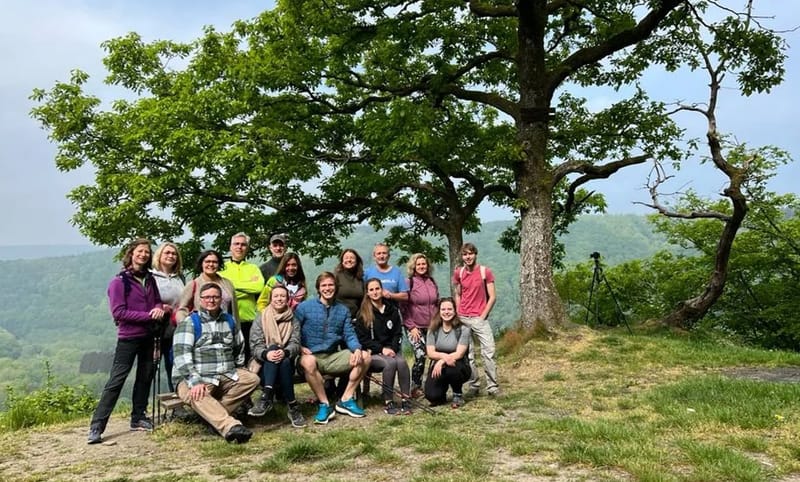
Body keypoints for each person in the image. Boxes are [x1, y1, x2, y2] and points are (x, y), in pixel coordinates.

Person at [87, 238, 170, 444]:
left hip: (150, 336)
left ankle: (138, 418)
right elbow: (119, 312)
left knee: (145, 376)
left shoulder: (150, 279)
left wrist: (159, 308)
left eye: (147, 252)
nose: (144, 255)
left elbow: (157, 300)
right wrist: (149, 316)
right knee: (116, 381)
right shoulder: (119, 282)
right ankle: (97, 426)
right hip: (129, 338)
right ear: (131, 254)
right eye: (140, 251)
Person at [172, 283, 259, 443]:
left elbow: (238, 347)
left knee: (252, 379)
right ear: (200, 300)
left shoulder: (229, 321)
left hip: (225, 374)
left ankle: (212, 418)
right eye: (207, 297)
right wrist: (195, 381)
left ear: (221, 299)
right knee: (197, 394)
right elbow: (181, 357)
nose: (211, 300)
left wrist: (239, 369)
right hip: (194, 377)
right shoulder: (190, 323)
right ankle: (230, 426)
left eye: (215, 297)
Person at [295, 271, 370, 424]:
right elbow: (293, 331)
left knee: (365, 356)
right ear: (318, 288)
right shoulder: (304, 307)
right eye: (324, 285)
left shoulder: (342, 310)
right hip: (309, 356)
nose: (327, 288)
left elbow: (349, 334)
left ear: (335, 287)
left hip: (331, 356)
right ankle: (324, 404)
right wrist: (300, 346)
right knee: (308, 361)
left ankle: (346, 400)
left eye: (330, 285)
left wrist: (356, 349)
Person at [248, 285, 306, 427]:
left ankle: (266, 397)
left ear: (287, 299)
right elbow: (255, 345)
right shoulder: (261, 318)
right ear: (271, 299)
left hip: (286, 366)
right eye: (276, 296)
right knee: (274, 349)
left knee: (284, 360)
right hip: (263, 366)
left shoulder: (293, 320)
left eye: (282, 296)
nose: (279, 299)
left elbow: (295, 343)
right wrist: (266, 354)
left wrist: (285, 352)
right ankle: (293, 407)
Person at [355, 278, 412, 415]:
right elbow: (363, 339)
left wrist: (392, 349)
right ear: (367, 293)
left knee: (402, 362)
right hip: (373, 353)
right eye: (371, 290)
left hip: (390, 351)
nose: (375, 292)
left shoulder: (392, 310)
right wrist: (381, 350)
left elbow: (397, 333)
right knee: (391, 364)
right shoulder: (363, 313)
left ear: (382, 290)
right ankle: (388, 401)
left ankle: (406, 399)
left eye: (377, 289)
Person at [452, 242, 499, 397]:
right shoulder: (459, 273)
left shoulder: (485, 272)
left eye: (470, 253)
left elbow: (492, 296)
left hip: (480, 318)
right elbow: (458, 293)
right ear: (462, 256)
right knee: (469, 354)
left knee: (489, 351)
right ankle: (474, 385)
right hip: (464, 318)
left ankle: (493, 387)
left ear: (475, 254)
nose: (468, 257)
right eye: (465, 254)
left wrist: (484, 314)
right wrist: (458, 313)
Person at [218, 232, 265, 363]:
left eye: (243, 244)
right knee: (230, 359)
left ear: (247, 248)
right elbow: (220, 291)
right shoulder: (221, 268)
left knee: (252, 359)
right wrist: (247, 288)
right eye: (236, 244)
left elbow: (259, 287)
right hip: (227, 321)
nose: (239, 247)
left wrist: (231, 285)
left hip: (249, 321)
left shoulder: (253, 268)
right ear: (230, 247)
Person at [400, 253, 439, 398]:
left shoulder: (431, 281)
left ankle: (432, 384)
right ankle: (415, 387)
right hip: (414, 326)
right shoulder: (409, 282)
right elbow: (403, 307)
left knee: (435, 355)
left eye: (424, 264)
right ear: (413, 266)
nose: (422, 266)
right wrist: (411, 326)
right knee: (420, 355)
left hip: (432, 326)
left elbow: (436, 302)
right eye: (419, 264)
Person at [424, 297, 471, 408]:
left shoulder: (463, 329)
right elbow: (430, 352)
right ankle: (441, 393)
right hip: (440, 366)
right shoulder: (433, 329)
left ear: (455, 311)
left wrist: (441, 361)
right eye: (443, 309)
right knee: (432, 396)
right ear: (439, 312)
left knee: (451, 366)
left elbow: (459, 354)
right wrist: (442, 358)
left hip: (458, 365)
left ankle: (457, 394)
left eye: (449, 309)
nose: (446, 312)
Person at [151, 241, 185, 392]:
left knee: (174, 364)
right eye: (167, 253)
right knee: (150, 367)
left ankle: (177, 397)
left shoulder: (180, 278)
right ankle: (141, 407)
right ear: (159, 255)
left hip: (175, 327)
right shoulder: (151, 276)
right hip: (156, 327)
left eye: (174, 254)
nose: (171, 256)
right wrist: (158, 306)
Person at [175, 250, 239, 323]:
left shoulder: (227, 283)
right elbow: (182, 309)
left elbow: (234, 310)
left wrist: (236, 328)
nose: (211, 264)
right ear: (201, 264)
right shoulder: (193, 284)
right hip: (202, 329)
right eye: (207, 261)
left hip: (226, 327)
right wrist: (186, 325)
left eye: (214, 262)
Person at [333, 248, 365, 320]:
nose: (349, 260)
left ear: (357, 261)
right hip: (338, 317)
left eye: (352, 258)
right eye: (346, 258)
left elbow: (364, 300)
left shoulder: (360, 278)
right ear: (342, 261)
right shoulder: (336, 276)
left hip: (356, 318)